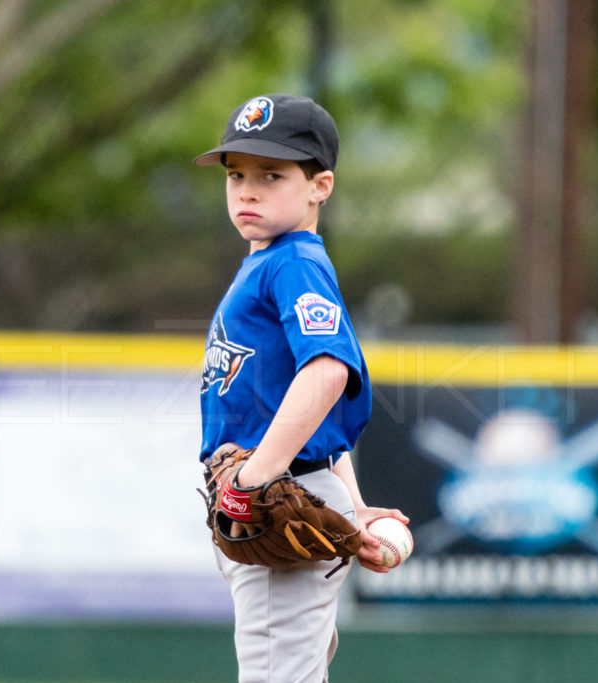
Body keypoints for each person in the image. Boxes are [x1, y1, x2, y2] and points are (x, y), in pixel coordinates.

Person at [195, 93, 409, 682]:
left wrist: (255, 477)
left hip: (275, 499)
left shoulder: (293, 263)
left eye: (272, 174)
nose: (247, 190)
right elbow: (319, 417)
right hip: (291, 491)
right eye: (236, 174)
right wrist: (353, 503)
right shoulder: (268, 262)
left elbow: (327, 373)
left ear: (321, 185)